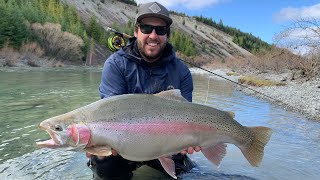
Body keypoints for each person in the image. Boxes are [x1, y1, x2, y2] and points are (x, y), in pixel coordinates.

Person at [86, 2, 200, 179]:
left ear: (167, 35)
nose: (153, 35)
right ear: (136, 31)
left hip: (167, 143)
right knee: (103, 163)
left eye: (160, 30)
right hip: (125, 146)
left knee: (188, 172)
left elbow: (187, 116)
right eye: (146, 28)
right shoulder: (116, 64)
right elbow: (109, 113)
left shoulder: (182, 72)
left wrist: (191, 140)